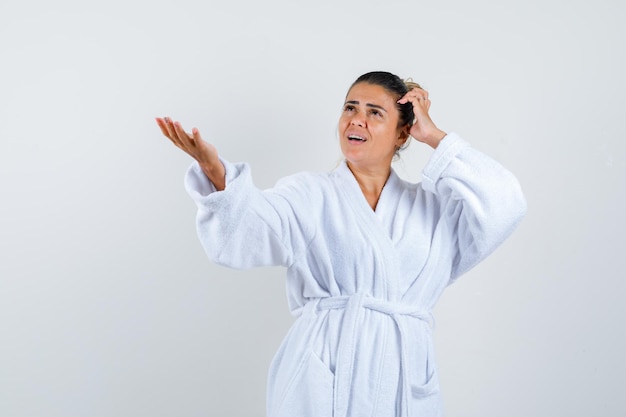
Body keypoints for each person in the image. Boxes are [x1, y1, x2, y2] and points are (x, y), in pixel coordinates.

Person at [155, 71, 526, 417]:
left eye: (374, 112)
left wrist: (434, 137)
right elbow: (247, 229)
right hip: (323, 374)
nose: (356, 119)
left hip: (405, 381)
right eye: (350, 107)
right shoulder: (310, 193)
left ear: (402, 134)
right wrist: (217, 175)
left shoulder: (434, 212)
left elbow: (504, 204)